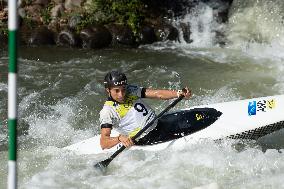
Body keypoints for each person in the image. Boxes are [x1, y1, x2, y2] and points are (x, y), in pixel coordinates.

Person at [99, 70, 192, 150]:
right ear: (108, 90)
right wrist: (119, 139)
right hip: (146, 138)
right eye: (116, 91)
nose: (121, 94)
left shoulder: (131, 90)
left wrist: (179, 93)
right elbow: (104, 143)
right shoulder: (108, 111)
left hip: (159, 124)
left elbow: (157, 94)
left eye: (123, 89)